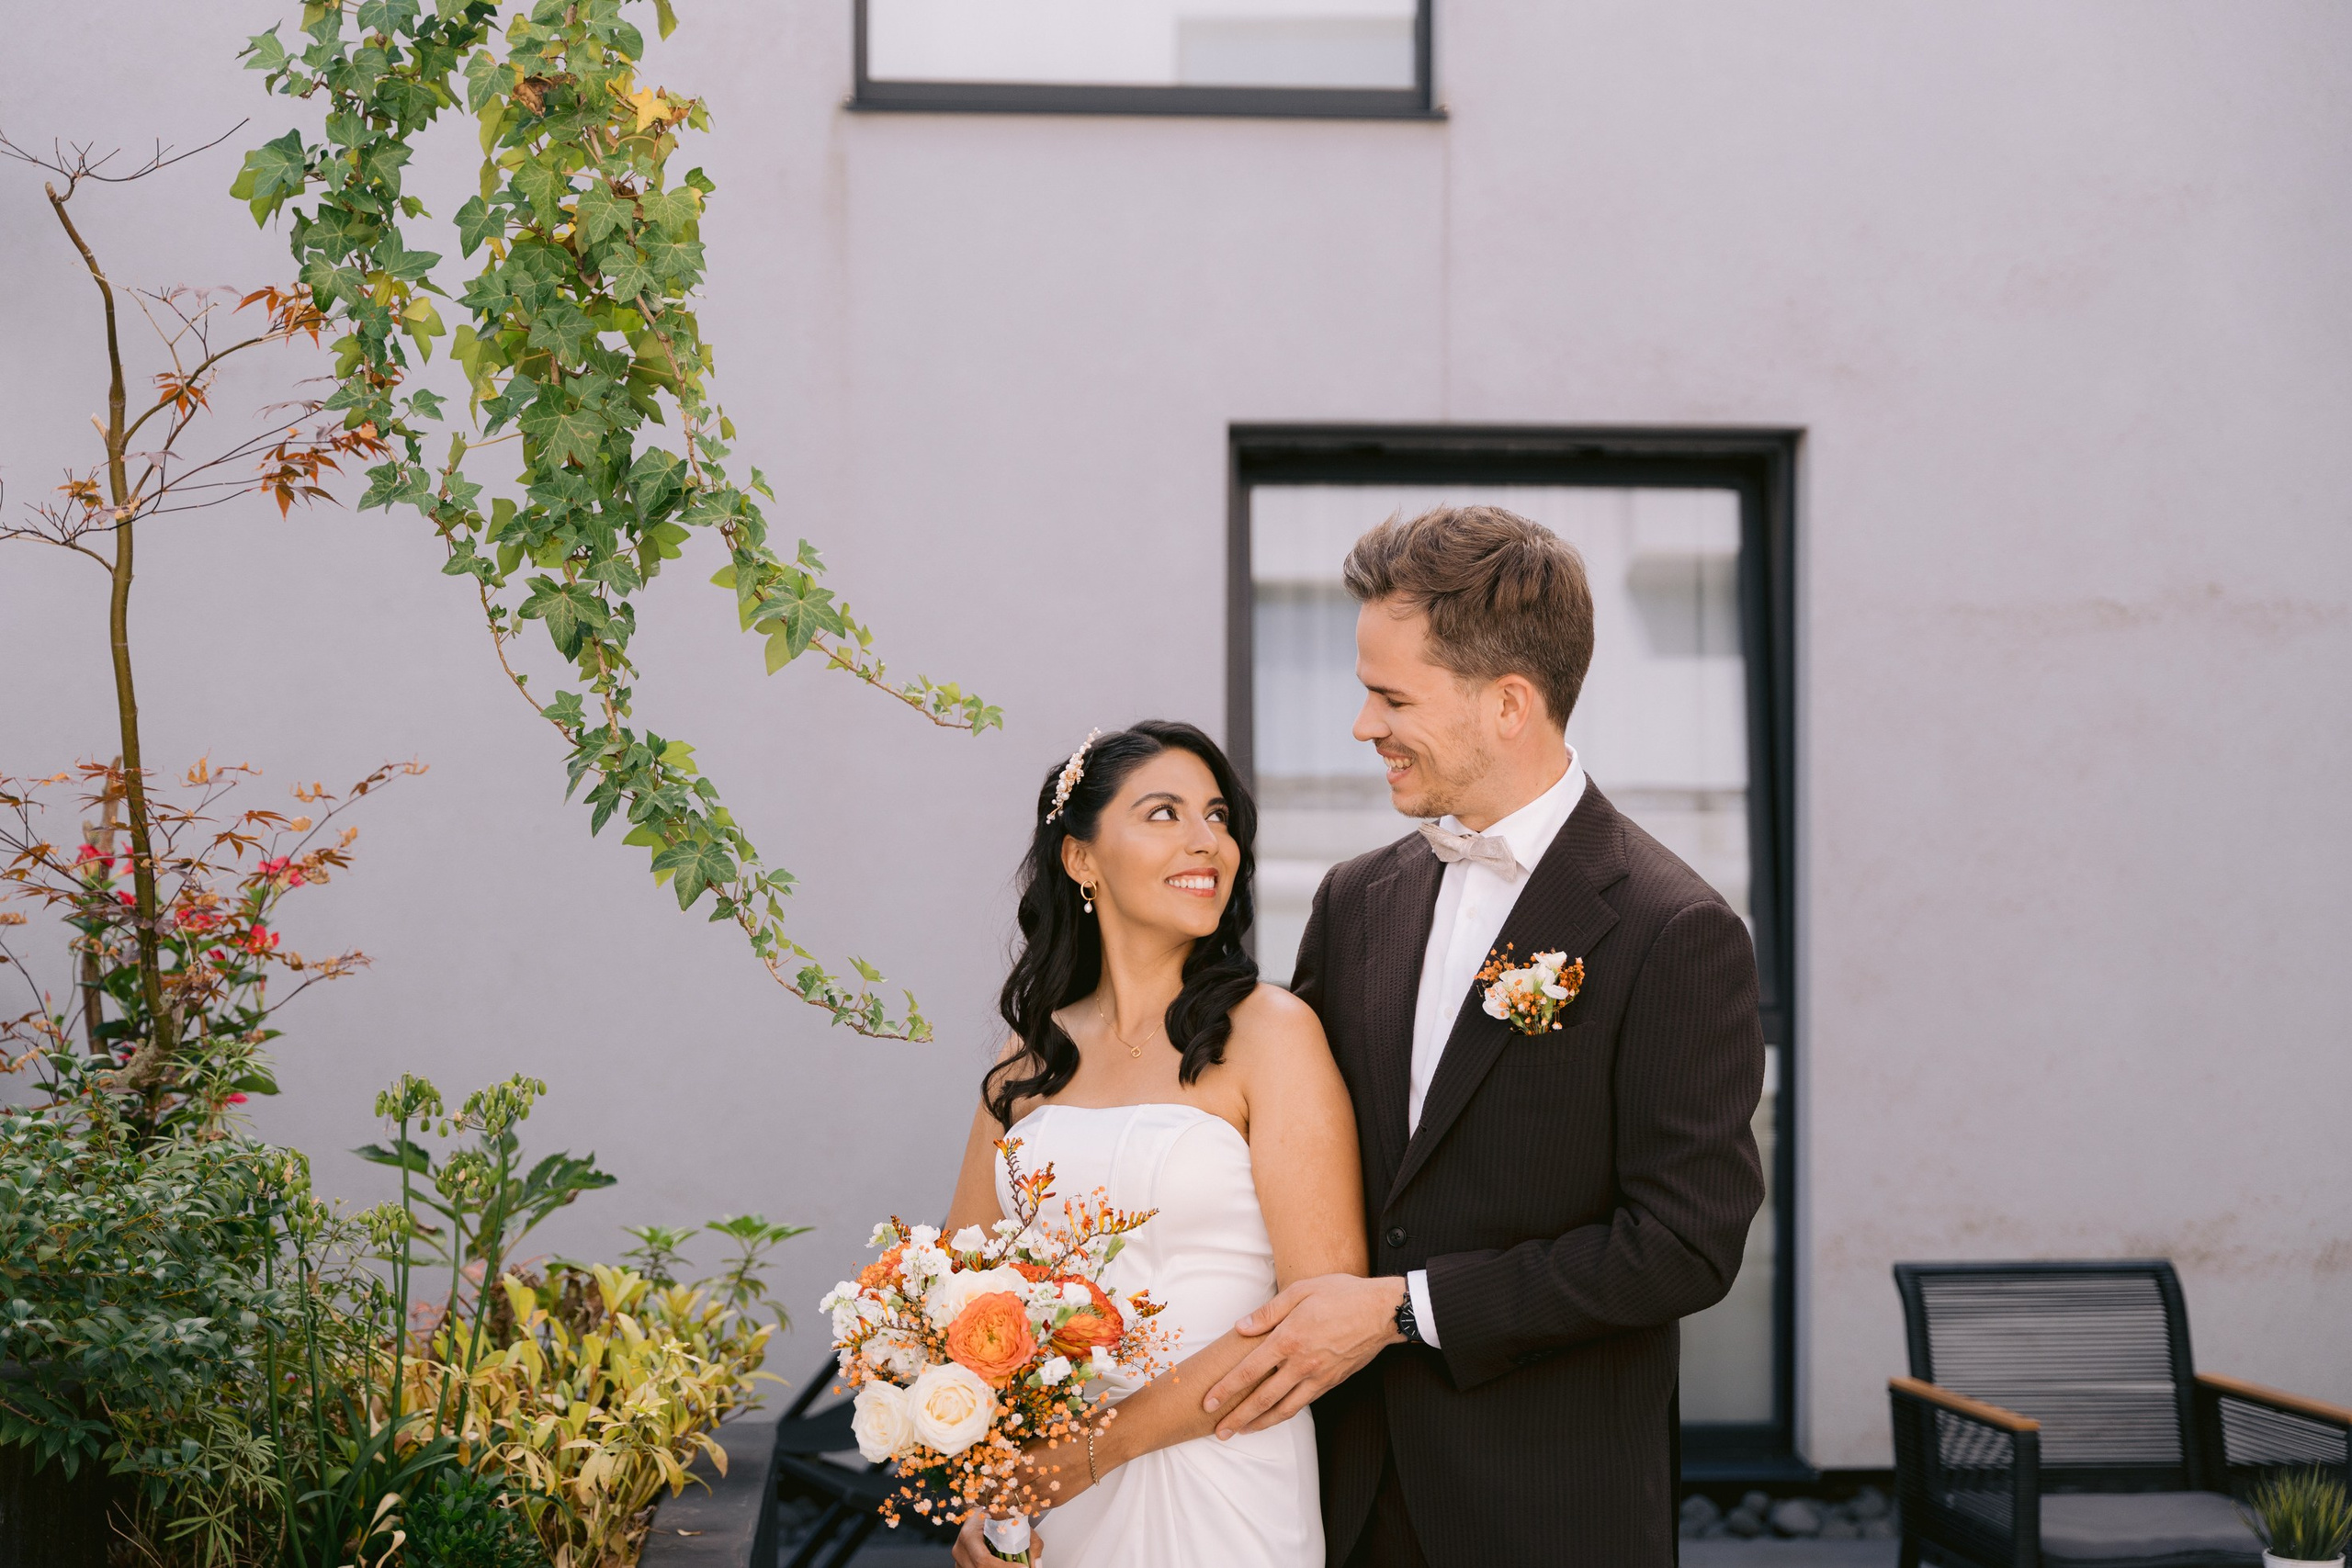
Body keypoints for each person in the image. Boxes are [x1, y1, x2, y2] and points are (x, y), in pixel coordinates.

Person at [1196, 505, 1769, 1567]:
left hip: (1544, 1509)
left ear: (1509, 703)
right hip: (1337, 1490)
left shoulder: (1671, 929)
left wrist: (1402, 1312)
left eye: (1390, 696)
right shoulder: (1352, 898)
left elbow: (1683, 1247)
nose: (1362, 726)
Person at [945, 719, 1362, 1568]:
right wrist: (984, 1480)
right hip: (1050, 1499)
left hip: (1224, 1477)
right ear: (1082, 859)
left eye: (1217, 815)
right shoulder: (1027, 1056)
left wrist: (1098, 1447)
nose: (1207, 839)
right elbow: (957, 1292)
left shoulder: (1271, 1032)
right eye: (1164, 813)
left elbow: (1322, 1313)